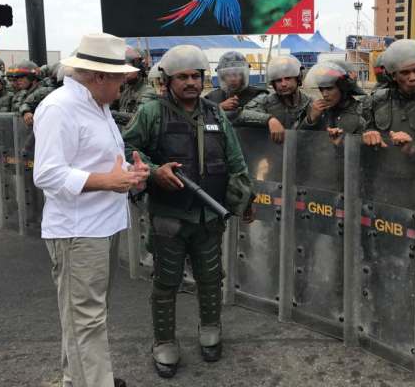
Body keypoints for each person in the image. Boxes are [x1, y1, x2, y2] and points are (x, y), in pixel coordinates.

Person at [122, 44, 254, 378]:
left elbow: (235, 159)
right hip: (169, 215)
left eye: (196, 76)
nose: (191, 82)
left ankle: (211, 328)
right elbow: (126, 148)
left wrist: (244, 198)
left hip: (210, 216)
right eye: (182, 77)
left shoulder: (215, 113)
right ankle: (164, 341)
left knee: (211, 277)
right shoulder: (152, 112)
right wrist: (154, 171)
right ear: (167, 80)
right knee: (166, 281)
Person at [33, 33, 149, 387]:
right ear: (99, 76)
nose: (124, 84)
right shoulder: (60, 108)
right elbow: (48, 173)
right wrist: (108, 182)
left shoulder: (96, 107)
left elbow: (101, 164)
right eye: (120, 78)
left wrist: (131, 176)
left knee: (86, 316)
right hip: (78, 231)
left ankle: (80, 379)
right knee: (86, 318)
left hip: (100, 226)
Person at [361, 38, 415, 207]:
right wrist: (367, 136)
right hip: (382, 191)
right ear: (393, 75)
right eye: (405, 73)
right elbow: (360, 144)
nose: (413, 77)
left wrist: (413, 148)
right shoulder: (376, 101)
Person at [237, 55, 311, 143]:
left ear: (298, 79)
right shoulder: (266, 100)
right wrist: (269, 119)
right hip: (273, 152)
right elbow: (241, 115)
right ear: (273, 84)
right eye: (279, 80)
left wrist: (311, 120)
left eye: (288, 78)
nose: (283, 84)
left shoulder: (310, 102)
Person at [296, 60, 365, 144]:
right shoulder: (315, 110)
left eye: (329, 88)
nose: (324, 94)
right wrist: (310, 120)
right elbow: (297, 142)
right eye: (321, 89)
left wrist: (343, 143)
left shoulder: (362, 112)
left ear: (343, 88)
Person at [205, 51, 267, 124]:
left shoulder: (258, 95)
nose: (233, 79)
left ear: (243, 76)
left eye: (237, 74)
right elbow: (200, 119)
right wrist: (219, 107)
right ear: (223, 77)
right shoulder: (211, 98)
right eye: (228, 75)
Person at [111, 47, 156, 127]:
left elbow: (139, 119)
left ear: (138, 67)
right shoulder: (126, 89)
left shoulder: (148, 91)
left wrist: (110, 114)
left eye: (127, 68)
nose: (124, 72)